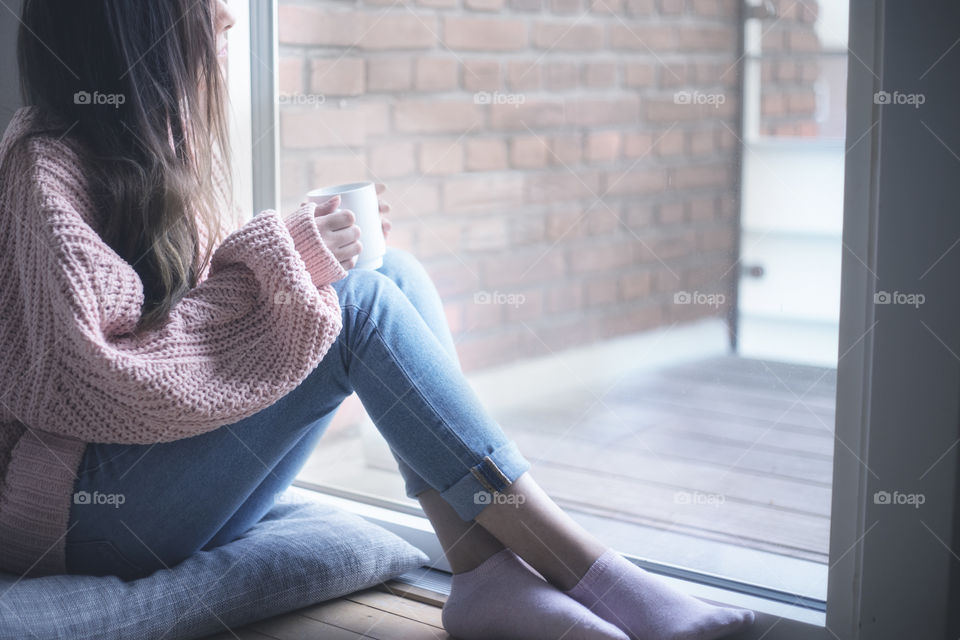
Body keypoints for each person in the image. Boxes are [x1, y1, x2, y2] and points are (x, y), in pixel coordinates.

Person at [0, 2, 755, 638]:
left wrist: (297, 261)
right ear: (133, 26)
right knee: (354, 301)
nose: (228, 16)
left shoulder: (148, 151)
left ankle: (482, 570)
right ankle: (600, 573)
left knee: (388, 272)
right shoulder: (44, 167)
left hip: (136, 481)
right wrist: (285, 258)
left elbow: (181, 324)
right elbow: (96, 375)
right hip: (79, 517)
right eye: (203, 1)